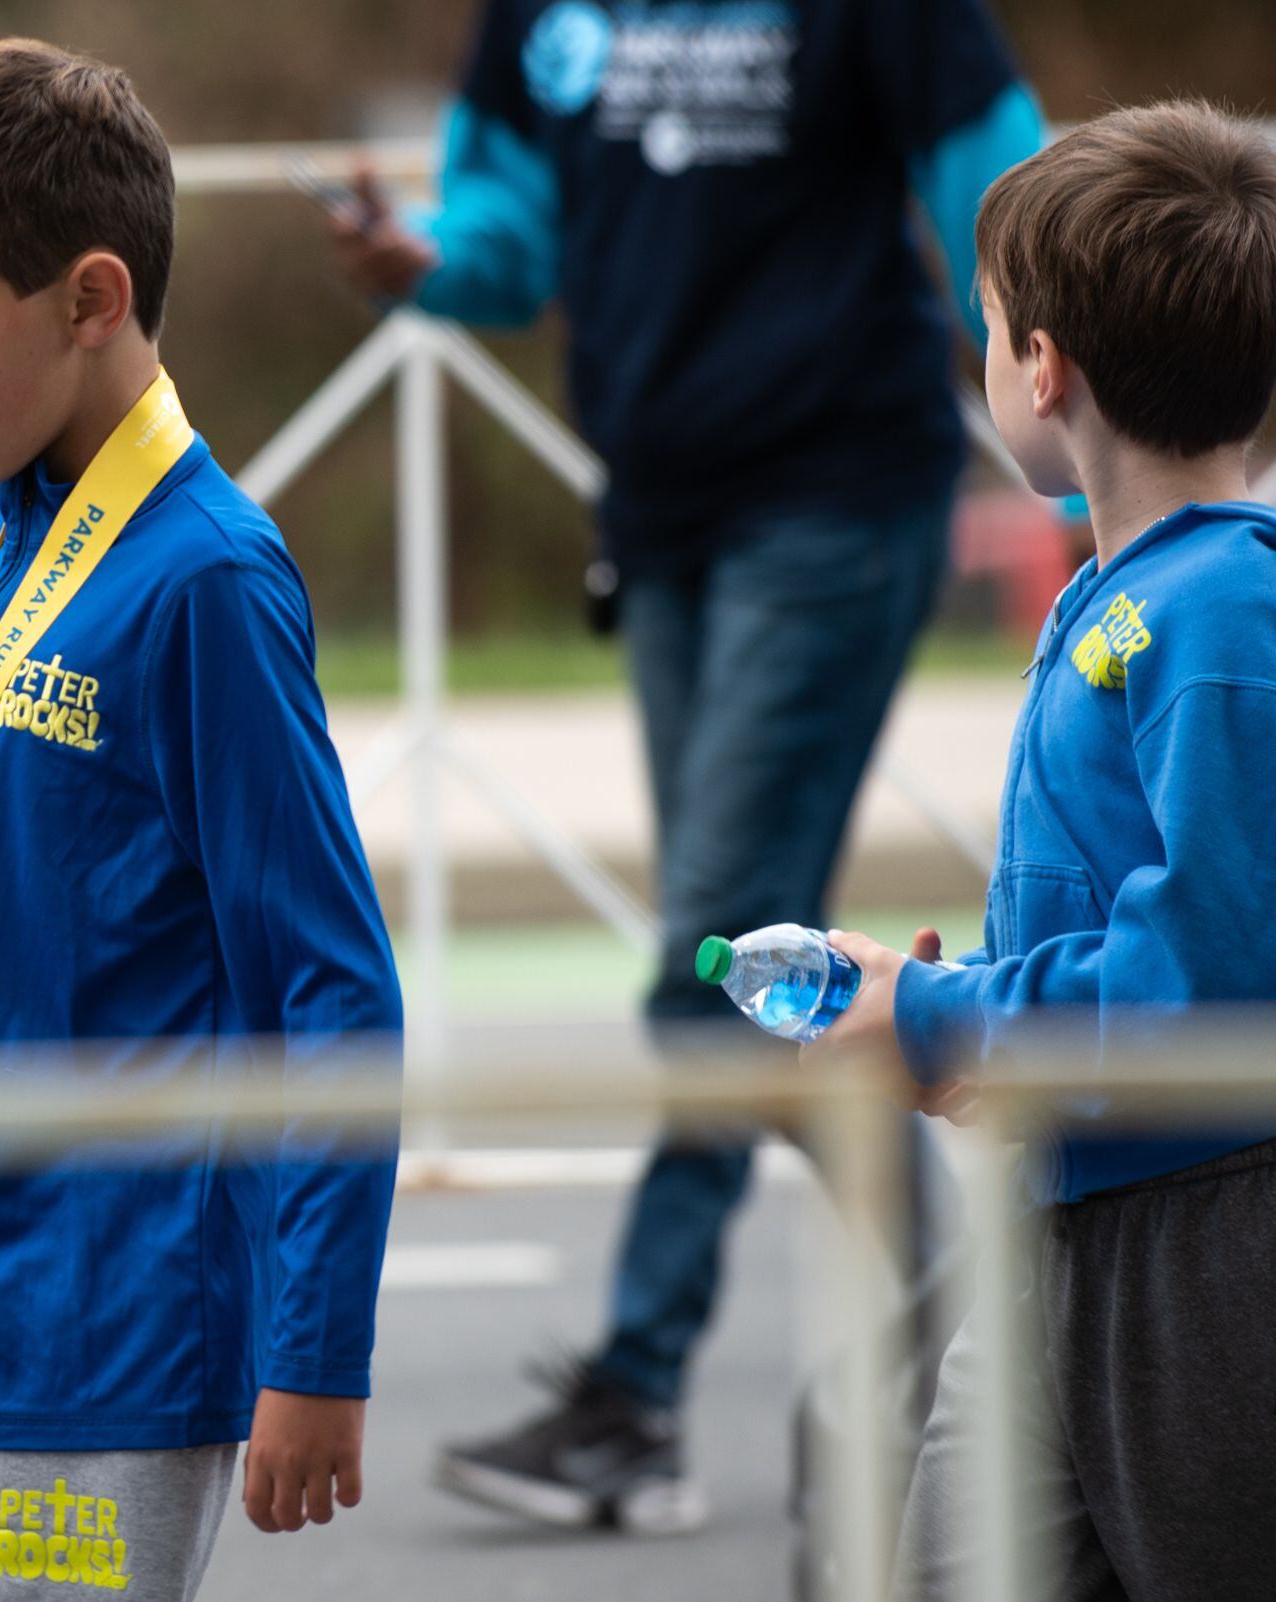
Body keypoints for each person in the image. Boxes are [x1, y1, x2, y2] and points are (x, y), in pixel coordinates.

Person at [326, 0, 1049, 1531]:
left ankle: (715, 1382)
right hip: (660, 520)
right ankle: (878, 1342)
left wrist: (1094, 431)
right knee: (734, 958)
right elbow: (510, 234)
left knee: (706, 961)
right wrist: (432, 263)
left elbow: (1012, 202)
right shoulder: (536, 12)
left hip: (841, 505)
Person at [0, 40, 404, 1602]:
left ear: (90, 298)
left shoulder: (207, 583)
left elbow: (333, 989)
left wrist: (313, 1348)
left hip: (112, 1335)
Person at [808, 100, 1276, 1600]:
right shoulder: (1129, 592)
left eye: (988, 325)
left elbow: (1207, 977)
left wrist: (941, 1018)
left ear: (1044, 365)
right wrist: (970, 1015)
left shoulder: (1223, 618)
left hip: (1207, 1244)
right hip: (1064, 1217)